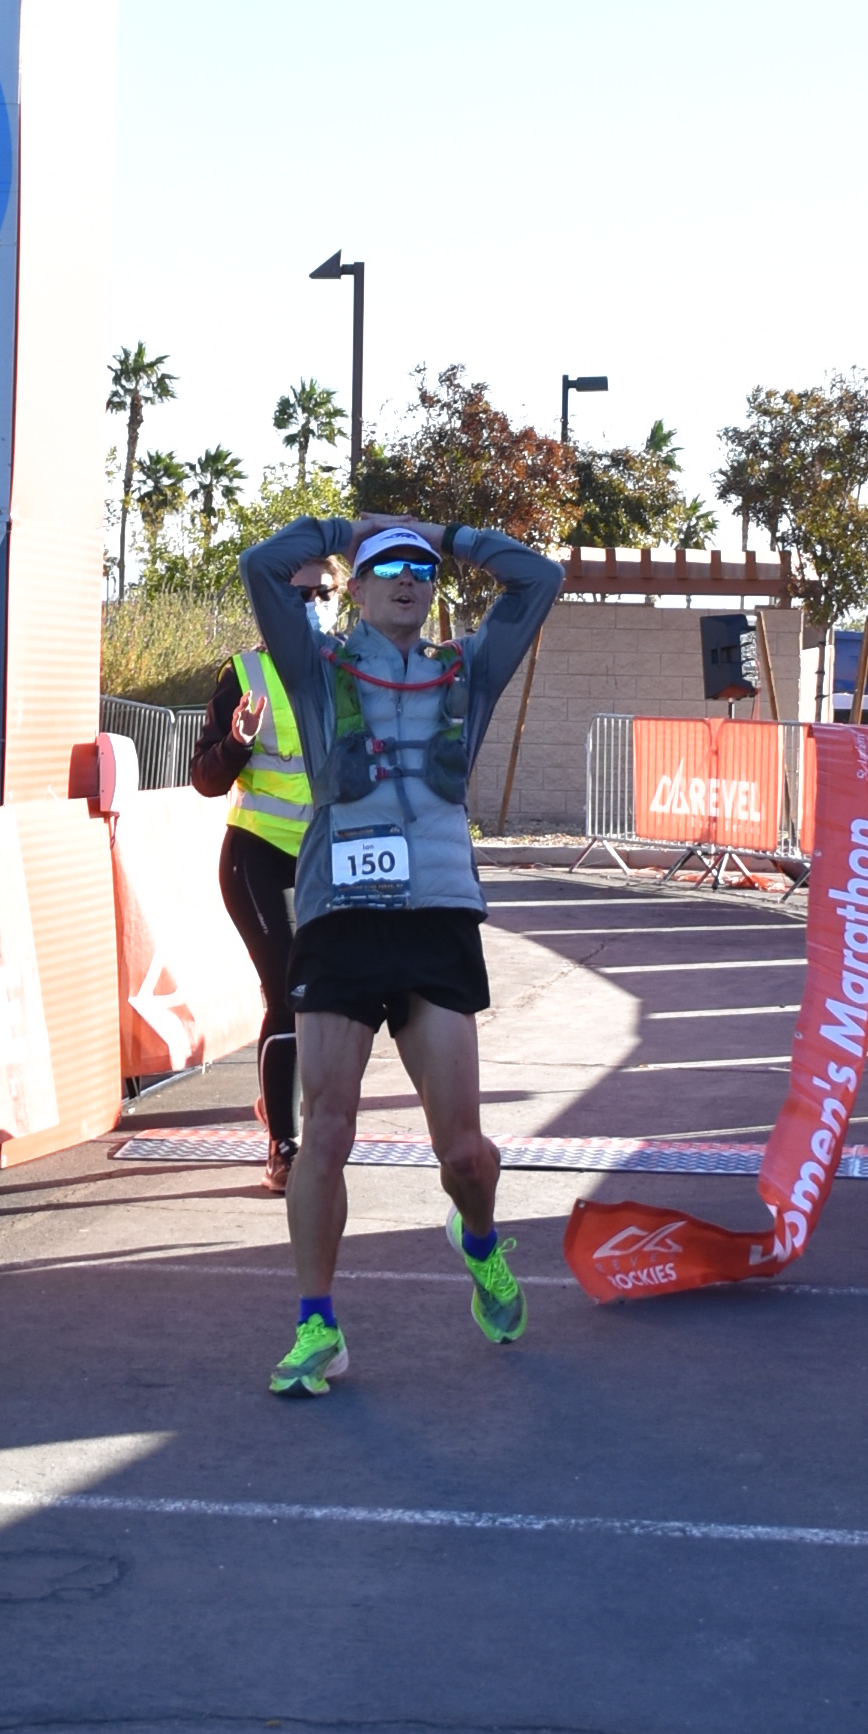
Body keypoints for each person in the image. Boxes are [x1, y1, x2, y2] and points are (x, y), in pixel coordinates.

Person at [237, 506, 566, 1395]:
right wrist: (340, 527)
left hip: (436, 918)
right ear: (357, 585)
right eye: (389, 567)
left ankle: (479, 1239)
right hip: (341, 919)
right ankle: (318, 1326)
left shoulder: (465, 670)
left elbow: (540, 579)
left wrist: (449, 534)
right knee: (325, 1132)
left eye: (422, 569)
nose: (410, 578)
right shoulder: (317, 666)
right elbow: (262, 566)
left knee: (463, 1154)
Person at [185, 551, 334, 1189]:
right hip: (258, 856)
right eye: (298, 594)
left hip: (325, 860)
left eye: (323, 593)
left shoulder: (349, 669)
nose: (312, 605)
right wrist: (237, 742)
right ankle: (284, 1145)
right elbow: (205, 779)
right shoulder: (245, 673)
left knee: (326, 1000)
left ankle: (280, 1101)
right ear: (273, 600)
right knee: (289, 992)